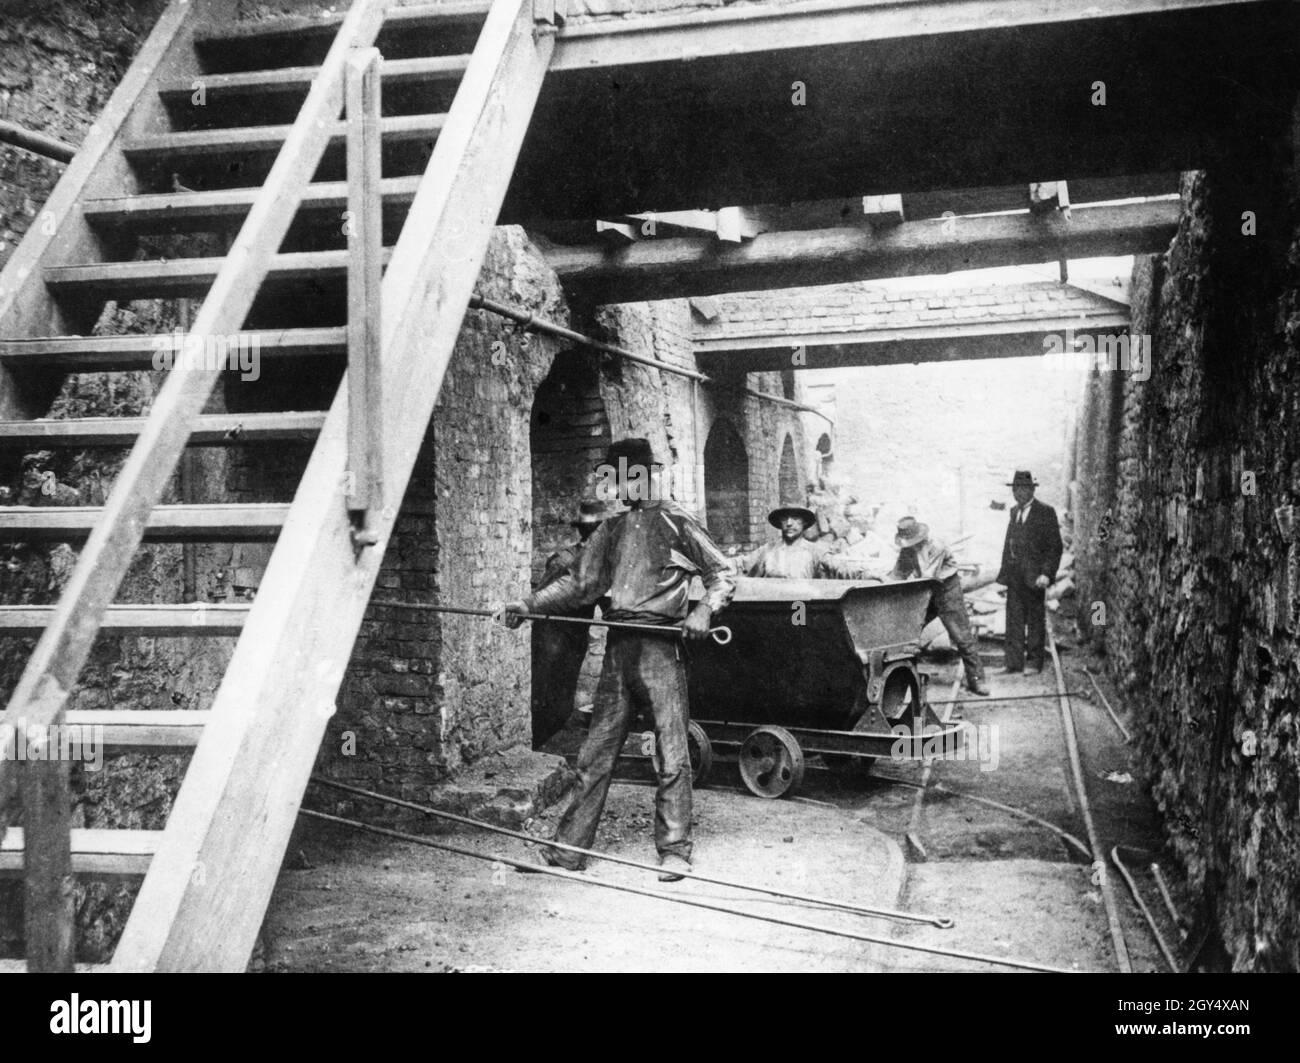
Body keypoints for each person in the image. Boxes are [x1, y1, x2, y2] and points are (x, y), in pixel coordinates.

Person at [501, 438, 735, 882]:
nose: (618, 487)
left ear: (644, 476)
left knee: (670, 751)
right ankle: (568, 850)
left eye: (624, 477)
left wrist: (705, 608)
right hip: (618, 648)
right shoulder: (612, 530)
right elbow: (578, 585)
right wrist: (527, 604)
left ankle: (675, 850)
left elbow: (722, 572)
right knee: (595, 753)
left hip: (660, 648)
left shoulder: (677, 521)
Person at [529, 500, 606, 750]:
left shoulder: (601, 563)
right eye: (590, 530)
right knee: (545, 697)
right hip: (552, 636)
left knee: (563, 701)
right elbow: (540, 598)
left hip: (575, 637)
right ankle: (537, 745)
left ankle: (546, 746)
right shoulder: (563, 561)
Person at [889, 515, 989, 696]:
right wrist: (882, 584)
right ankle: (906, 678)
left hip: (946, 590)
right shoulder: (907, 550)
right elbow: (898, 574)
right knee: (909, 631)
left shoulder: (937, 546)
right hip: (927, 591)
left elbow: (928, 576)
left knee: (961, 635)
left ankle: (977, 680)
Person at [995, 470, 1063, 675]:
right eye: (1016, 489)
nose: (1019, 493)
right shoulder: (1014, 511)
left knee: (1035, 619)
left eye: (1024, 489)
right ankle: (1013, 662)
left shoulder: (1045, 512)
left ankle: (1034, 662)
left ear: (1032, 490)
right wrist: (1005, 572)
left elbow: (1055, 547)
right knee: (1013, 619)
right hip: (1015, 576)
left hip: (1035, 577)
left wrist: (1047, 573)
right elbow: (1009, 543)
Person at [737, 504, 827, 578]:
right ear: (780, 523)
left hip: (801, 599)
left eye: (795, 518)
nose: (789, 523)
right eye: (784, 519)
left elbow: (835, 568)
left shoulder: (815, 552)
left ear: (804, 522)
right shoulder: (768, 550)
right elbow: (743, 565)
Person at [821, 501, 892, 579]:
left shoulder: (874, 539)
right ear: (851, 519)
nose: (870, 520)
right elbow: (830, 563)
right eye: (865, 516)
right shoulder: (840, 543)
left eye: (868, 516)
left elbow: (889, 559)